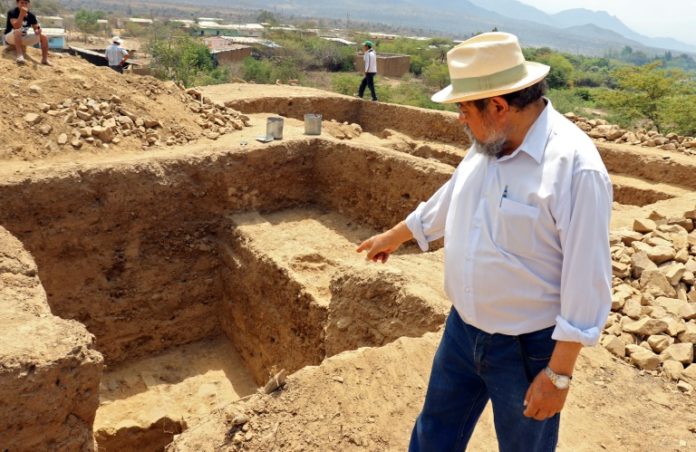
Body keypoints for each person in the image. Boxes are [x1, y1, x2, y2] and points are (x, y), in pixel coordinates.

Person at [356, 32, 612, 451]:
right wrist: (396, 235)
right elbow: (453, 197)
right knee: (433, 435)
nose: (460, 118)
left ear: (497, 106)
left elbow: (588, 279)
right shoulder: (488, 144)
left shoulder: (575, 169)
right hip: (461, 332)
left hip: (527, 351)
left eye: (463, 108)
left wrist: (558, 375)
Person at [4, 0, 50, 65]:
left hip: (22, 37)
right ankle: (20, 55)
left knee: (44, 36)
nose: (24, 5)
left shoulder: (31, 15)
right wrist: (22, 15)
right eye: (22, 2)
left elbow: (36, 27)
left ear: (28, 4)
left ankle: (44, 59)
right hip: (10, 37)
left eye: (26, 3)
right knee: (18, 31)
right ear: (17, 3)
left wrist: (38, 30)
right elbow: (16, 26)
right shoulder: (12, 12)